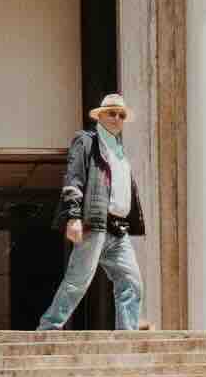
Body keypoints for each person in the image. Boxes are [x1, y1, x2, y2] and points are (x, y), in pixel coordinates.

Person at [40, 92, 149, 330]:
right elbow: (74, 176)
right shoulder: (86, 140)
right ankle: (48, 328)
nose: (117, 118)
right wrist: (73, 216)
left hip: (119, 229)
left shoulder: (120, 152)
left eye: (121, 115)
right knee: (77, 281)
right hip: (96, 223)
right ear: (100, 116)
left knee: (132, 282)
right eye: (112, 113)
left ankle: (127, 334)